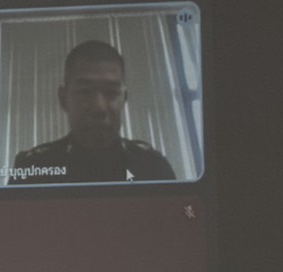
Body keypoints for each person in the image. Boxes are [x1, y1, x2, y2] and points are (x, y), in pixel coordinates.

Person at [11, 39, 177, 185]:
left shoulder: (154, 167)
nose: (99, 108)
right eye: (85, 92)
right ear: (63, 99)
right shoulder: (32, 169)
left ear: (124, 99)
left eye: (111, 92)